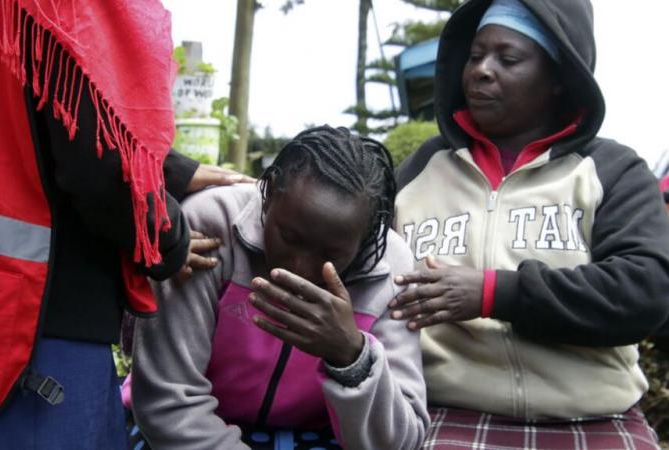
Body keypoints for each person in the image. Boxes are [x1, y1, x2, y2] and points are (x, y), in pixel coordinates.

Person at [389, 0, 669, 448]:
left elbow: (646, 291)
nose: (481, 70)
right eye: (475, 55)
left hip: (595, 419)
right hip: (445, 416)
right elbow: (348, 242)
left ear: (559, 77)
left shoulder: (611, 169)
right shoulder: (421, 169)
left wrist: (495, 293)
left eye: (508, 57)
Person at [0, 1, 249, 448]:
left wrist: (170, 171)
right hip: (40, 332)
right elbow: (96, 170)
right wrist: (168, 240)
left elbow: (49, 97)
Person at [131, 126, 429, 450]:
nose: (298, 269)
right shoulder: (211, 223)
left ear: (367, 239)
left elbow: (400, 442)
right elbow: (168, 401)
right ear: (269, 192)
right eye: (288, 237)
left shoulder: (390, 269)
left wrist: (351, 357)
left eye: (330, 255)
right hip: (194, 433)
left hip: (321, 437)